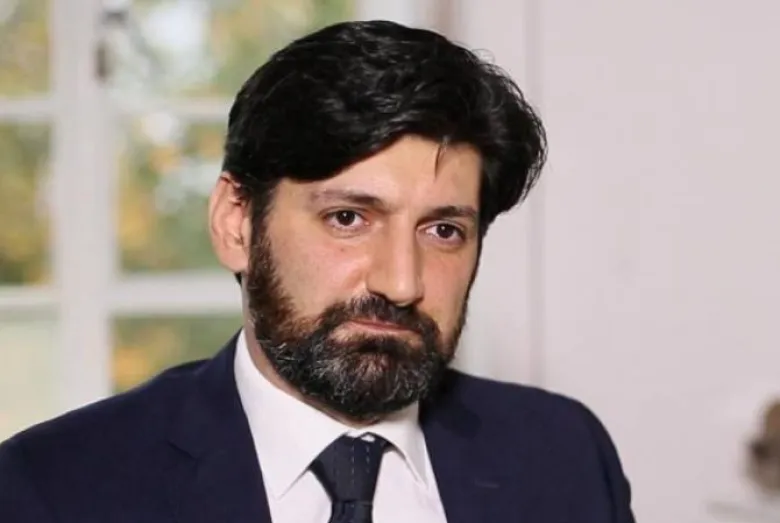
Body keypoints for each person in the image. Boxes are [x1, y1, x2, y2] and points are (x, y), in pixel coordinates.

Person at [0, 20, 635, 523]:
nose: (401, 283)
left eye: (443, 231)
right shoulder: (51, 489)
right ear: (236, 224)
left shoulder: (564, 457)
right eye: (348, 218)